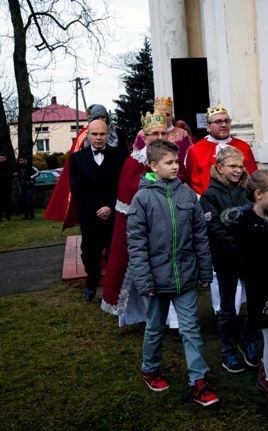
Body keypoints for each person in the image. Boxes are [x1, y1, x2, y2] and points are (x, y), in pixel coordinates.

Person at [126, 138, 218, 407]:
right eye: (169, 162)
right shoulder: (142, 198)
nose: (176, 166)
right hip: (155, 279)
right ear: (153, 165)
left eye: (177, 161)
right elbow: (136, 243)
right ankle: (150, 370)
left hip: (186, 277)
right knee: (155, 328)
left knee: (191, 329)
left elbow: (200, 236)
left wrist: (204, 270)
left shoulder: (187, 194)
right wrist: (144, 280)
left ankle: (199, 383)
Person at [222, 169, 268, 418]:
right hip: (263, 293)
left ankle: (266, 374)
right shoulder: (245, 225)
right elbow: (249, 265)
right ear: (258, 194)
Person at [101, 111, 173, 324]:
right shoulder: (134, 162)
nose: (159, 137)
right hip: (143, 228)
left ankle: (172, 321)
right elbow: (129, 195)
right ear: (144, 135)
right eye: (154, 133)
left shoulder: (173, 159)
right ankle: (141, 315)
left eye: (163, 132)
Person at [200, 145, 260, 374]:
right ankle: (227, 351)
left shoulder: (247, 189)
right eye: (233, 166)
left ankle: (247, 341)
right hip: (226, 259)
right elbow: (214, 227)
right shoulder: (209, 196)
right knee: (227, 308)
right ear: (220, 167)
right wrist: (239, 246)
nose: (238, 170)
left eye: (241, 166)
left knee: (256, 303)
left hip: (249, 258)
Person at [44, 103, 130, 228]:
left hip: (113, 200)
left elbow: (123, 177)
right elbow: (77, 184)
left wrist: (111, 206)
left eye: (103, 117)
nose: (98, 137)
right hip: (89, 207)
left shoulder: (119, 136)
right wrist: (93, 207)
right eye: (97, 118)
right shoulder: (82, 138)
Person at [69, 119, 127, 302]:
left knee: (113, 252)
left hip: (114, 213)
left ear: (108, 135)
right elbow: (77, 190)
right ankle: (91, 283)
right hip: (89, 215)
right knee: (89, 252)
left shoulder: (120, 155)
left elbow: (123, 186)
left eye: (102, 134)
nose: (99, 138)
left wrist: (110, 206)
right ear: (88, 135)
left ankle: (114, 288)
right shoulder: (77, 159)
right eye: (94, 134)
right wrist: (96, 209)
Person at [185, 104, 258, 196]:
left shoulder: (244, 147)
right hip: (209, 200)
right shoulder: (196, 150)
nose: (224, 125)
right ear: (208, 126)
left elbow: (253, 177)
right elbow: (192, 181)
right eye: (218, 121)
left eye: (226, 121)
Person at [131, 97, 193, 176]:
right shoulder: (142, 134)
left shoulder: (182, 133)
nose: (164, 117)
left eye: (167, 114)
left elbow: (189, 156)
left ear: (172, 116)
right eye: (155, 133)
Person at [0, 153, 12, 221]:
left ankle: (8, 216)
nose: (1, 160)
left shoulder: (8, 166)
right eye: (0, 158)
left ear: (5, 158)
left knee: (8, 202)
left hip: (7, 187)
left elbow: (10, 175)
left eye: (3, 158)